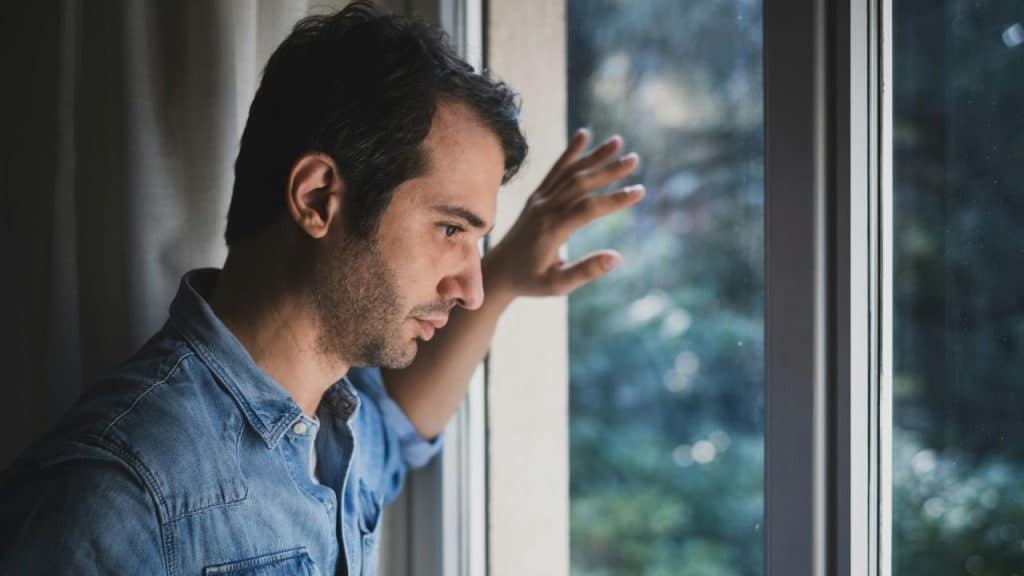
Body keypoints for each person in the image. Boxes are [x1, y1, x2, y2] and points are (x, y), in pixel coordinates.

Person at [0, 2, 643, 574]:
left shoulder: (335, 425)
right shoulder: (115, 497)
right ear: (317, 198)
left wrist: (504, 277)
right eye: (450, 228)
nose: (469, 288)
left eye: (477, 242)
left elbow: (402, 426)